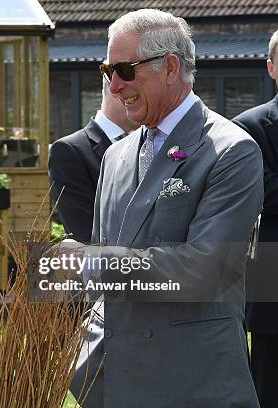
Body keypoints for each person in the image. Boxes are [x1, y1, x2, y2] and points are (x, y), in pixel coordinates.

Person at [63, 9, 263, 407]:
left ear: (171, 67)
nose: (114, 86)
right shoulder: (116, 156)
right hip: (115, 383)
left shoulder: (231, 150)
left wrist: (90, 263)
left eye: (124, 69)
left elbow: (203, 270)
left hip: (191, 384)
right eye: (107, 70)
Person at [233, 28, 278, 408]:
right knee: (269, 377)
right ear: (271, 68)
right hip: (273, 271)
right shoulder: (249, 127)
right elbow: (264, 193)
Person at [49, 76, 138, 243]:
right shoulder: (69, 151)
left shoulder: (148, 143)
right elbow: (86, 236)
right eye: (136, 96)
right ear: (115, 89)